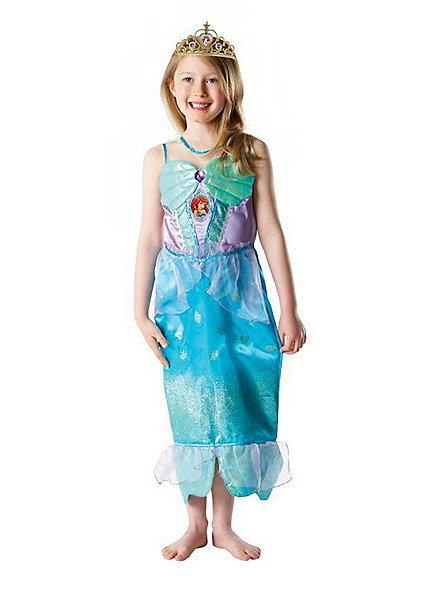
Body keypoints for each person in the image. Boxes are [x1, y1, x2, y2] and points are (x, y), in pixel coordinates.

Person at [134, 22, 306, 561]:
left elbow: (271, 230)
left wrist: (290, 309)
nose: (199, 91)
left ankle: (224, 525)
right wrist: (138, 312)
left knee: (233, 403)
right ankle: (193, 524)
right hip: (181, 304)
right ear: (172, 87)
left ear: (229, 88)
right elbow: (148, 237)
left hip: (239, 298)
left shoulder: (251, 152)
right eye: (188, 79)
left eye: (211, 80)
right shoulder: (159, 157)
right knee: (191, 405)